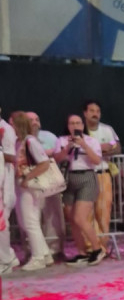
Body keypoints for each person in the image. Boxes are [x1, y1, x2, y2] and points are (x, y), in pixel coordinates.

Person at [53, 116, 105, 266]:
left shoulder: (91, 141)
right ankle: (82, 253)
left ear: (82, 125)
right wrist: (67, 148)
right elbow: (57, 158)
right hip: (69, 178)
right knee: (72, 219)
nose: (75, 125)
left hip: (86, 177)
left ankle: (97, 249)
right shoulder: (62, 140)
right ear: (68, 126)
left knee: (79, 217)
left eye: (77, 123)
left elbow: (97, 161)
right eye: (71, 123)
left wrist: (84, 145)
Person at [10, 112, 53, 271]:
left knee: (30, 221)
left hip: (29, 185)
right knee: (27, 222)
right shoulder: (18, 142)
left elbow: (44, 163)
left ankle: (38, 257)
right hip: (21, 185)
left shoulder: (30, 141)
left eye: (12, 124)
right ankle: (44, 254)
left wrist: (27, 178)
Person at [82, 100, 121, 254]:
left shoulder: (107, 130)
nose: (95, 114)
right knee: (87, 213)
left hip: (103, 174)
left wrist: (101, 151)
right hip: (86, 174)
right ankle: (90, 247)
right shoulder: (80, 130)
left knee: (104, 212)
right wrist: (100, 148)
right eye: (91, 111)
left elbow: (116, 147)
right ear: (85, 113)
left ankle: (102, 247)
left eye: (97, 111)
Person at [26, 111, 66, 258]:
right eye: (31, 120)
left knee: (53, 215)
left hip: (49, 181)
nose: (35, 123)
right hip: (30, 183)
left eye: (37, 119)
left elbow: (59, 153)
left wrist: (48, 153)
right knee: (32, 218)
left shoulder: (49, 137)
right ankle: (34, 251)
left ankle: (55, 249)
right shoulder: (21, 139)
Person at [0, 108, 19, 276]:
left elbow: (12, 156)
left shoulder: (5, 129)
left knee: (1, 225)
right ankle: (10, 256)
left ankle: (5, 262)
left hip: (3, 185)